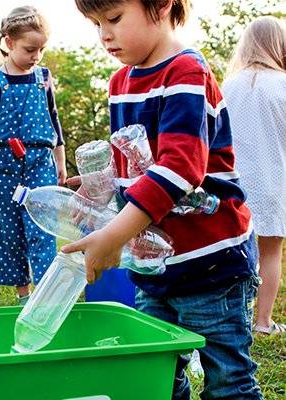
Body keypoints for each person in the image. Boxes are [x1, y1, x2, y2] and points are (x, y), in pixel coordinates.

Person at [66, 1, 262, 398]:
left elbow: (178, 169)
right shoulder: (120, 83)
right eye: (96, 23)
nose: (104, 34)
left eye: (115, 18)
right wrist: (98, 187)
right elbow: (134, 167)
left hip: (212, 266)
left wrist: (114, 237)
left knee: (227, 381)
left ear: (161, 5)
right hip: (154, 269)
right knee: (154, 380)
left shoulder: (186, 72)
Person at [0, 6, 67, 305]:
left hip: (40, 162)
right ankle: (24, 296)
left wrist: (60, 162)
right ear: (9, 43)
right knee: (10, 231)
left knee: (42, 229)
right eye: (29, 49)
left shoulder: (44, 78)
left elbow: (54, 120)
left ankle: (46, 296)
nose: (36, 55)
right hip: (5, 167)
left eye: (41, 49)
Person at [223, 16, 286, 335]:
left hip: (230, 182)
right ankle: (262, 322)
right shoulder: (284, 85)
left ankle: (231, 318)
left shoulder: (227, 86)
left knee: (232, 251)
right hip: (272, 181)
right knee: (271, 252)